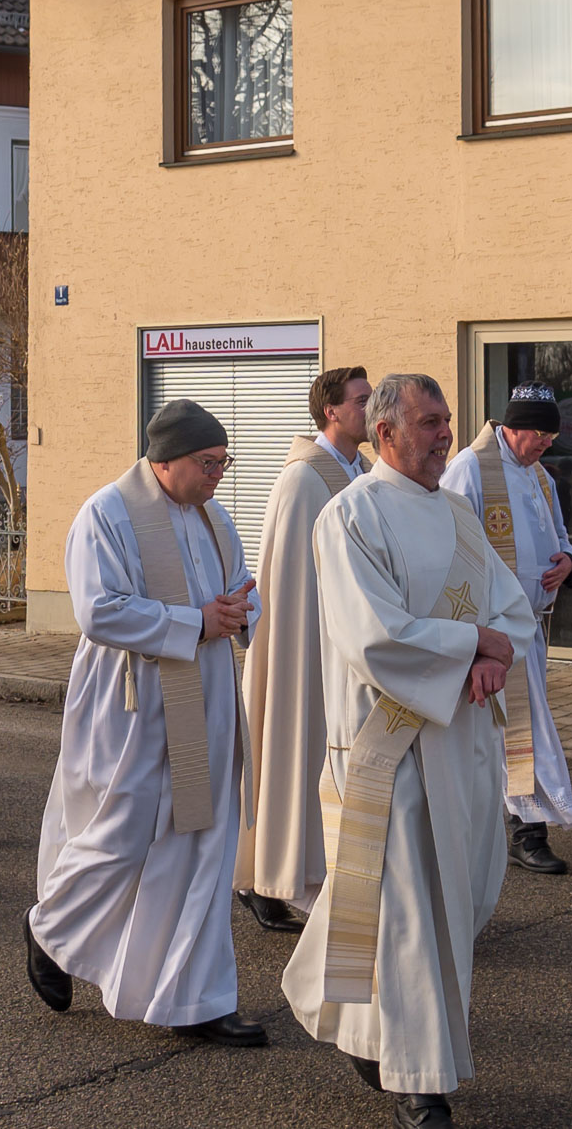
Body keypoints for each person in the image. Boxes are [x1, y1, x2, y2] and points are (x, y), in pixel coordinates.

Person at [281, 375, 536, 1128]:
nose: (445, 434)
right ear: (386, 432)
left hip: (461, 742)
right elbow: (374, 636)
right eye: (429, 423)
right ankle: (420, 1081)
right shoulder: (349, 516)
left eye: (448, 421)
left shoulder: (458, 514)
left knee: (448, 901)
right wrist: (473, 644)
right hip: (390, 747)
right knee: (413, 917)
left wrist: (494, 654)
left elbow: (509, 609)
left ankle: (351, 1017)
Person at [23, 399, 266, 1047]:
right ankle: (51, 930)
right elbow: (99, 610)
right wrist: (196, 622)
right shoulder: (106, 513)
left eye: (223, 462)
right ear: (166, 461)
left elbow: (241, 585)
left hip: (206, 699)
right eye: (209, 463)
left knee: (202, 850)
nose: (220, 474)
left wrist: (247, 610)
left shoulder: (214, 518)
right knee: (120, 834)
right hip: (132, 703)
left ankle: (196, 998)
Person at [235, 366, 372, 934]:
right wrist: (302, 647)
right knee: (294, 753)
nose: (371, 408)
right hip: (307, 646)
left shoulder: (360, 470)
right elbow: (288, 584)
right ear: (331, 412)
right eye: (361, 400)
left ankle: (310, 873)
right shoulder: (303, 478)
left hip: (346, 645)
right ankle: (270, 880)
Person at [441, 383, 572, 874]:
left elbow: (561, 538)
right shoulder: (470, 469)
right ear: (512, 426)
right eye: (539, 434)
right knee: (515, 731)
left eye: (551, 435)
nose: (546, 444)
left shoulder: (538, 474)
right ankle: (526, 832)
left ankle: (511, 826)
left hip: (532, 627)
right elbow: (453, 547)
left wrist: (569, 561)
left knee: (516, 729)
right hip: (495, 628)